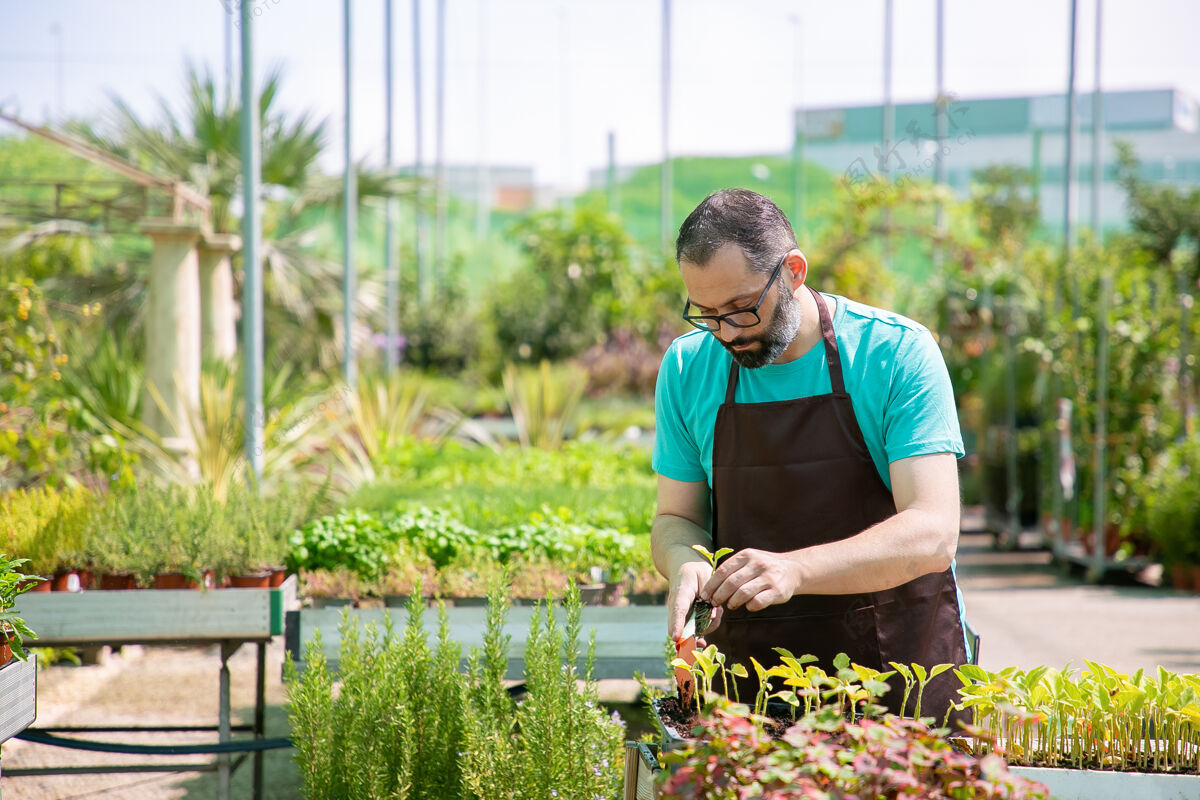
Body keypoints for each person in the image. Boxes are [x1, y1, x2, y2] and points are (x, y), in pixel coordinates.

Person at [652, 188, 970, 723]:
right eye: (706, 313)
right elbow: (676, 517)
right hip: (750, 690)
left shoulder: (894, 353)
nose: (727, 333)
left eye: (741, 308)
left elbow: (934, 532)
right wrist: (685, 560)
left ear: (793, 272)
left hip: (894, 682)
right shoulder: (687, 369)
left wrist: (795, 570)